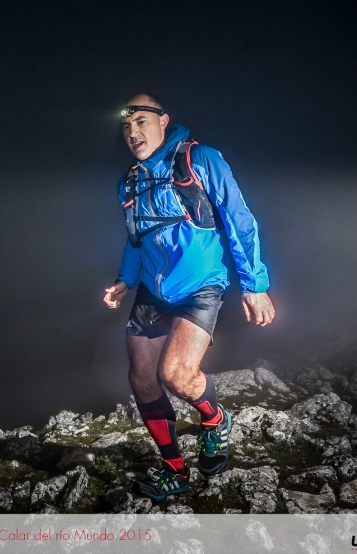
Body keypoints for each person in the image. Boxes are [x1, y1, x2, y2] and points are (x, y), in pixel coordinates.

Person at [102, 93, 276, 502]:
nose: (133, 132)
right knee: (141, 379)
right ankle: (175, 471)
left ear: (163, 120)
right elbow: (136, 238)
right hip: (151, 289)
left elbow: (239, 220)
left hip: (201, 285)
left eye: (141, 121)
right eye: (126, 126)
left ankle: (215, 421)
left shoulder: (200, 159)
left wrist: (255, 285)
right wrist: (124, 279)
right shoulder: (128, 181)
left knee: (177, 375)